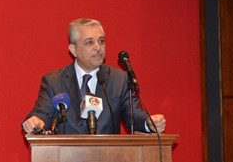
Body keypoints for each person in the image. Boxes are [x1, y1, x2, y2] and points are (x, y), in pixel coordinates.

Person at [21, 18, 164, 135]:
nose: (98, 47)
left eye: (101, 41)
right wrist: (34, 122)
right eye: (89, 42)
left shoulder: (119, 80)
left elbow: (133, 115)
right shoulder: (54, 82)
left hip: (109, 159)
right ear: (74, 50)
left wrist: (148, 123)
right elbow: (40, 115)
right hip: (66, 159)